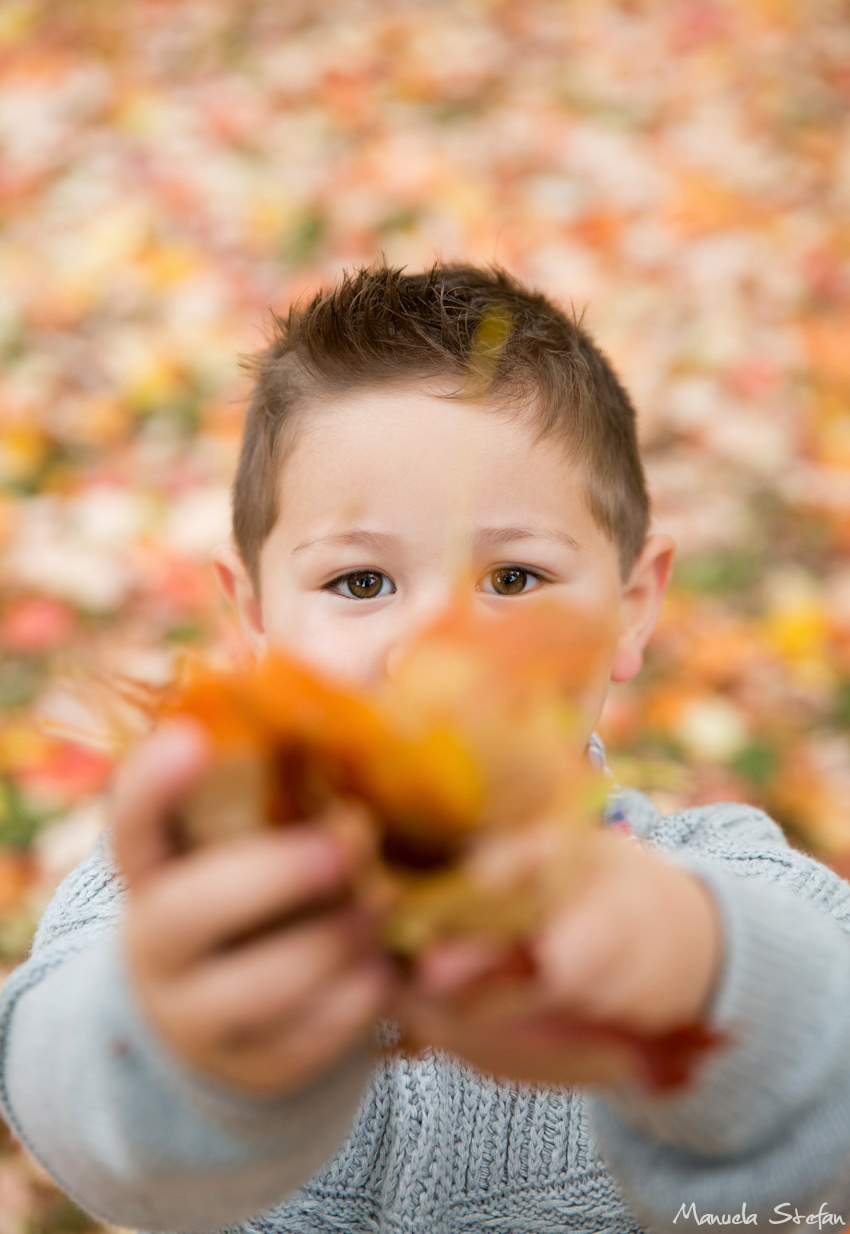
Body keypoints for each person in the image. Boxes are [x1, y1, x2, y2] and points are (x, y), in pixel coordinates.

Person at [2, 261, 850, 1234]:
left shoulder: (719, 883)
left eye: (515, 576)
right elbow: (54, 1086)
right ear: (255, 619)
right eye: (361, 583)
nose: (435, 647)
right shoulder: (192, 883)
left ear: (629, 607)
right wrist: (174, 1044)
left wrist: (698, 971)